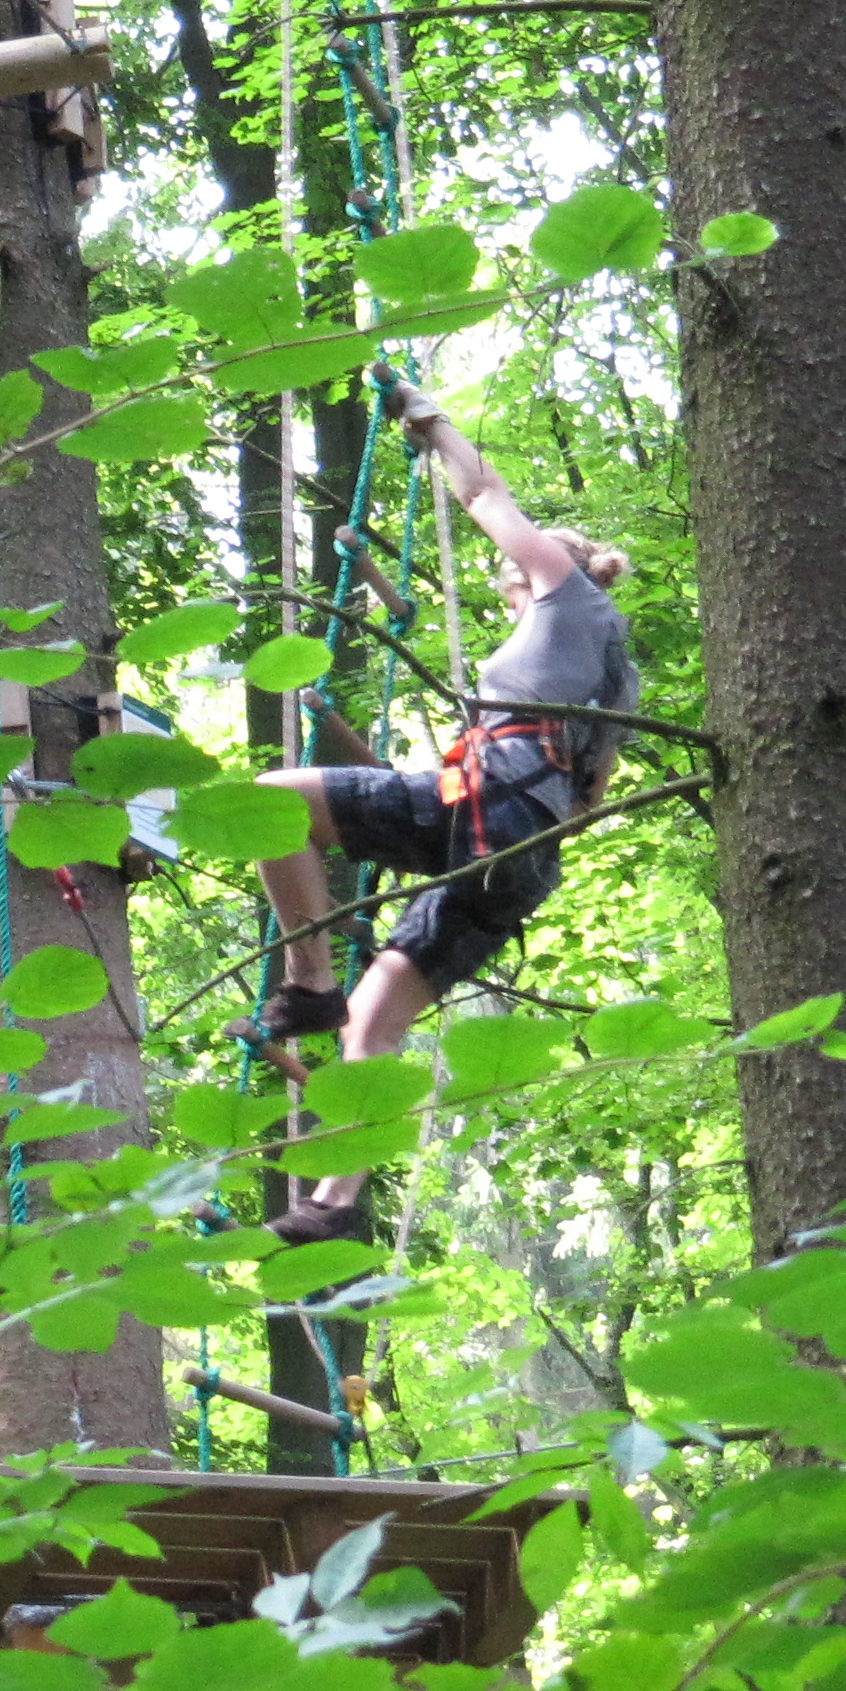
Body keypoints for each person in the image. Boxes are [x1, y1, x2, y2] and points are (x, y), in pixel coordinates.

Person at [230, 378, 637, 1244]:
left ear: (536, 576)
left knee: (273, 805)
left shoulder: (563, 592)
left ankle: (307, 985)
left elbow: (485, 492)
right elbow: (588, 795)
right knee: (373, 1027)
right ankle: (335, 1208)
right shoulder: (616, 675)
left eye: (505, 598)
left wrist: (427, 420)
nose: (503, 609)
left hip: (490, 808)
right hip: (524, 861)